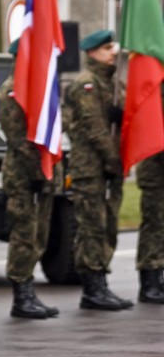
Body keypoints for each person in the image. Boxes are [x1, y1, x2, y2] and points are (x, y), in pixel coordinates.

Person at [64, 29, 132, 311]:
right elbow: (94, 129)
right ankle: (92, 287)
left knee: (108, 225)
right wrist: (111, 159)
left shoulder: (114, 84)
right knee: (92, 226)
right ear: (92, 53)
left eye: (112, 48)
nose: (113, 53)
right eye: (106, 49)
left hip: (111, 166)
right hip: (92, 167)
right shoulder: (86, 84)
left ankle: (101, 280)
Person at [0, 38, 60, 319]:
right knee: (24, 235)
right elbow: (17, 139)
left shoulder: (39, 89)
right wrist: (37, 172)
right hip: (23, 176)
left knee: (39, 234)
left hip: (40, 174)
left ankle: (29, 290)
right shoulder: (12, 91)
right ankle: (21, 295)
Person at [135, 135, 164, 304]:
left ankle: (157, 280)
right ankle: (149, 284)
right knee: (154, 228)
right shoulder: (155, 108)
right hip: (155, 175)